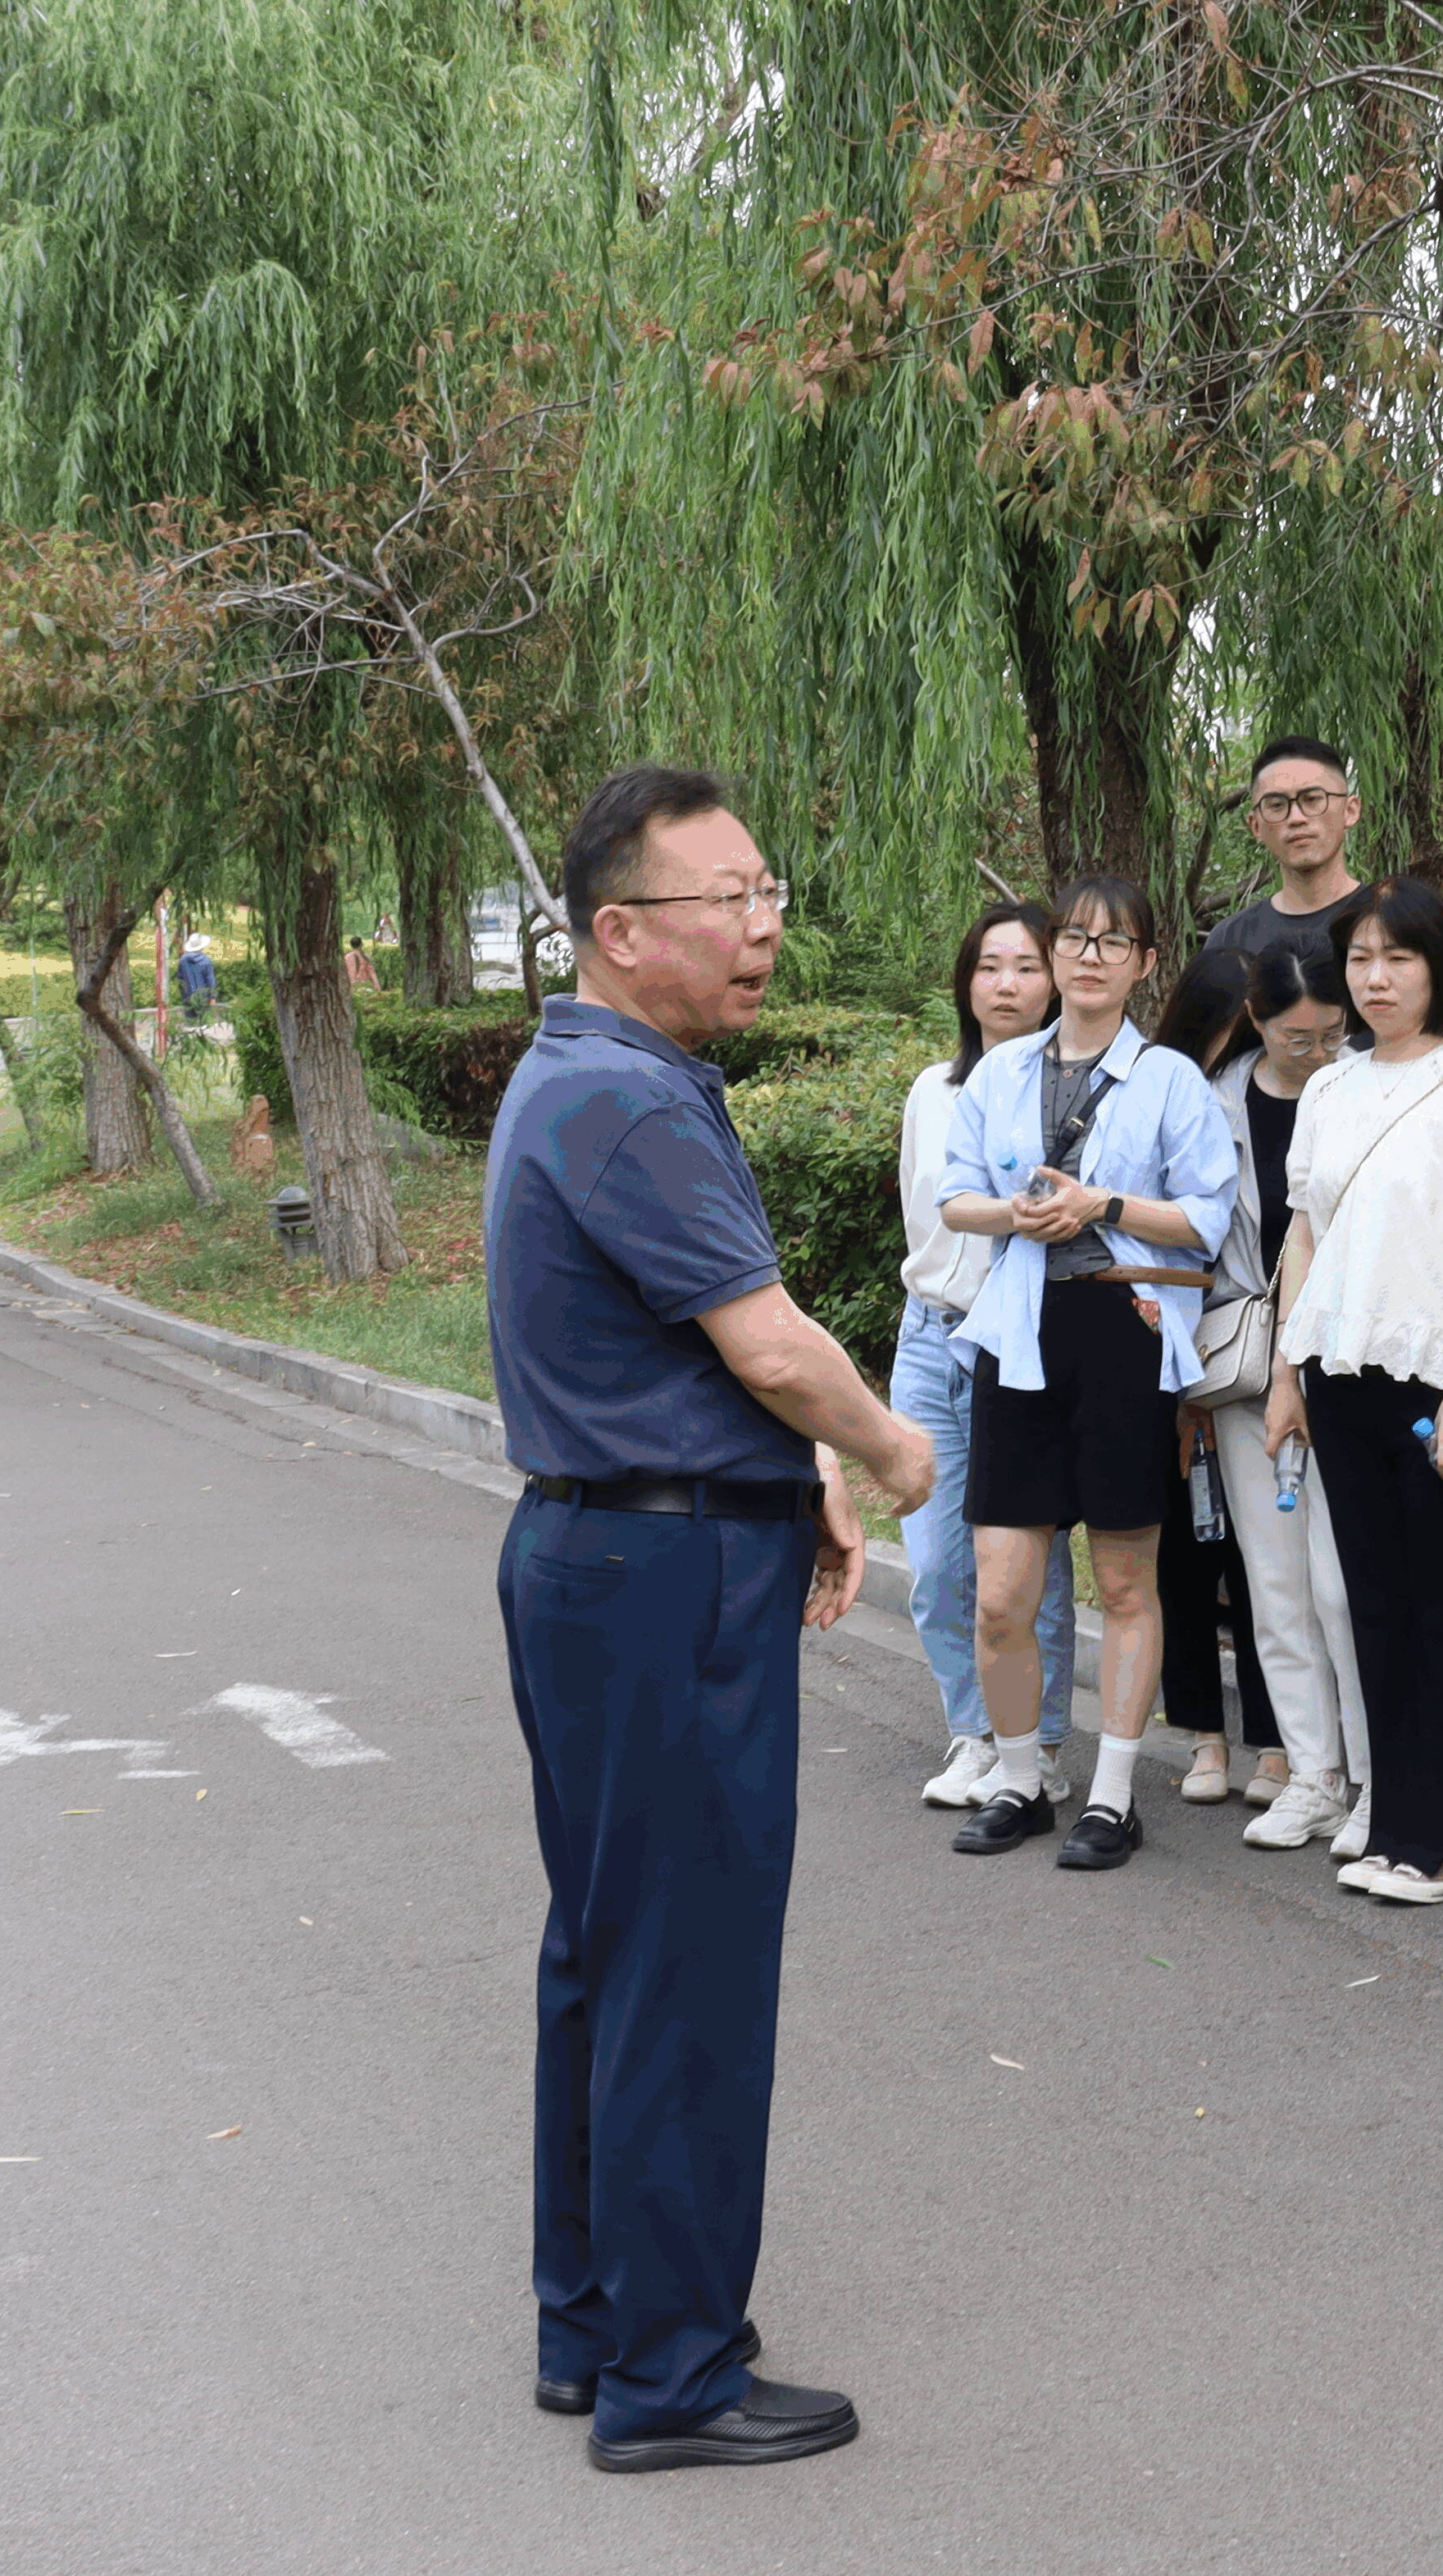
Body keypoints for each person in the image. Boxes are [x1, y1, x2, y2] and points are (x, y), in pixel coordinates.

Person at [485, 762, 938, 2471]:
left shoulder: (595, 1076)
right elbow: (768, 1343)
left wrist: (796, 1472)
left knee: (611, 1948)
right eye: (727, 900)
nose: (761, 928)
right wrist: (888, 1448)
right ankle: (671, 2375)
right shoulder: (632, 1101)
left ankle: (595, 2325)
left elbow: (693, 1346)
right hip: (664, 1582)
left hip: (612, 1551)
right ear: (621, 930)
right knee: (683, 1968)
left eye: (768, 894)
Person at [929, 872, 1239, 1872]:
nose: (1090, 956)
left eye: (1115, 942)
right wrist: (1018, 1212)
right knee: (1000, 1590)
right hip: (1017, 1330)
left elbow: (1206, 1219)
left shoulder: (1171, 1080)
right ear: (1054, 950)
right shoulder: (1000, 1072)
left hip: (1121, 1333)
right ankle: (1019, 1777)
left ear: (1146, 962)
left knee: (1123, 1579)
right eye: (1075, 938)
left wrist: (1102, 1204)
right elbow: (955, 1198)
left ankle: (1112, 1796)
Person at [1265, 876, 1443, 1902]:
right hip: (1339, 1371)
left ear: (1440, 968)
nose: (1376, 978)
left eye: (1399, 958)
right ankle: (1397, 1827)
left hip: (1435, 1380)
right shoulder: (1329, 1089)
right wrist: (1287, 1370)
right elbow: (1304, 1235)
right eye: (1362, 959)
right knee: (1374, 1604)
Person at [887, 901, 1077, 1814]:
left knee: (1029, 1562)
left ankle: (1038, 1746)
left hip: (1021, 1339)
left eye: (1026, 966)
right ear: (967, 983)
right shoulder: (933, 1089)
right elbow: (921, 1219)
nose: (1006, 985)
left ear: (1057, 982)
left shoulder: (1072, 1097)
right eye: (989, 967)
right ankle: (975, 1732)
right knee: (934, 1561)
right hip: (929, 1336)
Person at [1204, 933, 1379, 1855]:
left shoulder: (1369, 1090)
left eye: (1330, 1034)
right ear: (1256, 1021)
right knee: (1275, 1584)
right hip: (1249, 1365)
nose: (1315, 1054)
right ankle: (1313, 1774)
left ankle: (1376, 1779)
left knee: (1343, 1584)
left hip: (1346, 1358)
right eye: (1295, 1038)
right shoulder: (1217, 1103)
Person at [1148, 949, 1288, 1809]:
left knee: (1260, 1554)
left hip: (1252, 1349)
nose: (1247, 1053)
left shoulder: (1276, 1103)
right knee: (1184, 1552)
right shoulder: (1161, 1100)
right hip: (1169, 1345)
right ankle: (1205, 1735)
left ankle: (1274, 1742)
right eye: (1236, 1034)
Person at [1195, 735, 1369, 986]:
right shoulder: (1229, 940)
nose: (1296, 818)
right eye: (1277, 805)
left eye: (1312, 799)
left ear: (1350, 811)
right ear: (1255, 826)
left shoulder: (1392, 921)